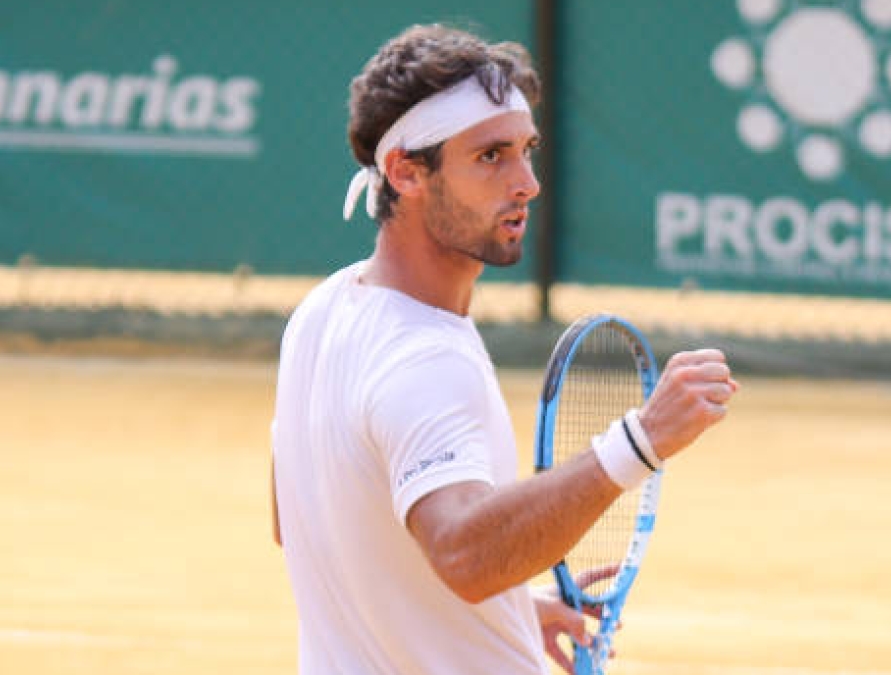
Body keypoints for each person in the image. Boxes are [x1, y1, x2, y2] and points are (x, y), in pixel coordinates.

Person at [270, 23, 738, 674]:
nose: (527, 183)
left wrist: (504, 611)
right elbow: (463, 555)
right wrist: (641, 441)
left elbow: (310, 519)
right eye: (491, 156)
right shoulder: (428, 358)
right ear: (405, 171)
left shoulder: (320, 311)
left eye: (527, 150)